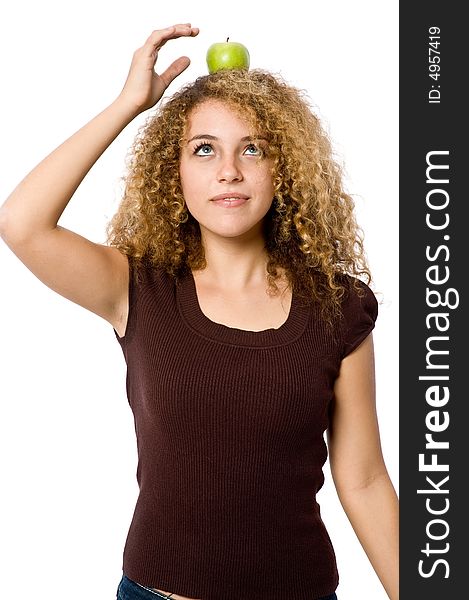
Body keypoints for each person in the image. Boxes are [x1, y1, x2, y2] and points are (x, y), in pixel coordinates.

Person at [0, 23, 398, 600]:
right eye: (204, 148)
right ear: (175, 169)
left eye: (253, 148)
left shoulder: (338, 306)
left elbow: (362, 479)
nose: (229, 171)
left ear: (282, 170)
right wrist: (130, 104)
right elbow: (21, 224)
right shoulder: (137, 287)